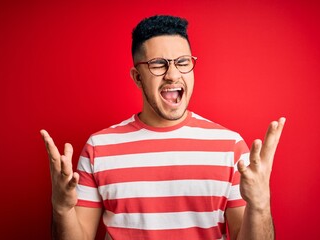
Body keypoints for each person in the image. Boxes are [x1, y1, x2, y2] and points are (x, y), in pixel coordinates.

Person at [41, 15, 285, 240]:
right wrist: (61, 210)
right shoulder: (99, 148)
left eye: (182, 62)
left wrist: (261, 205)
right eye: (158, 64)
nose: (172, 74)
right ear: (137, 77)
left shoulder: (230, 147)